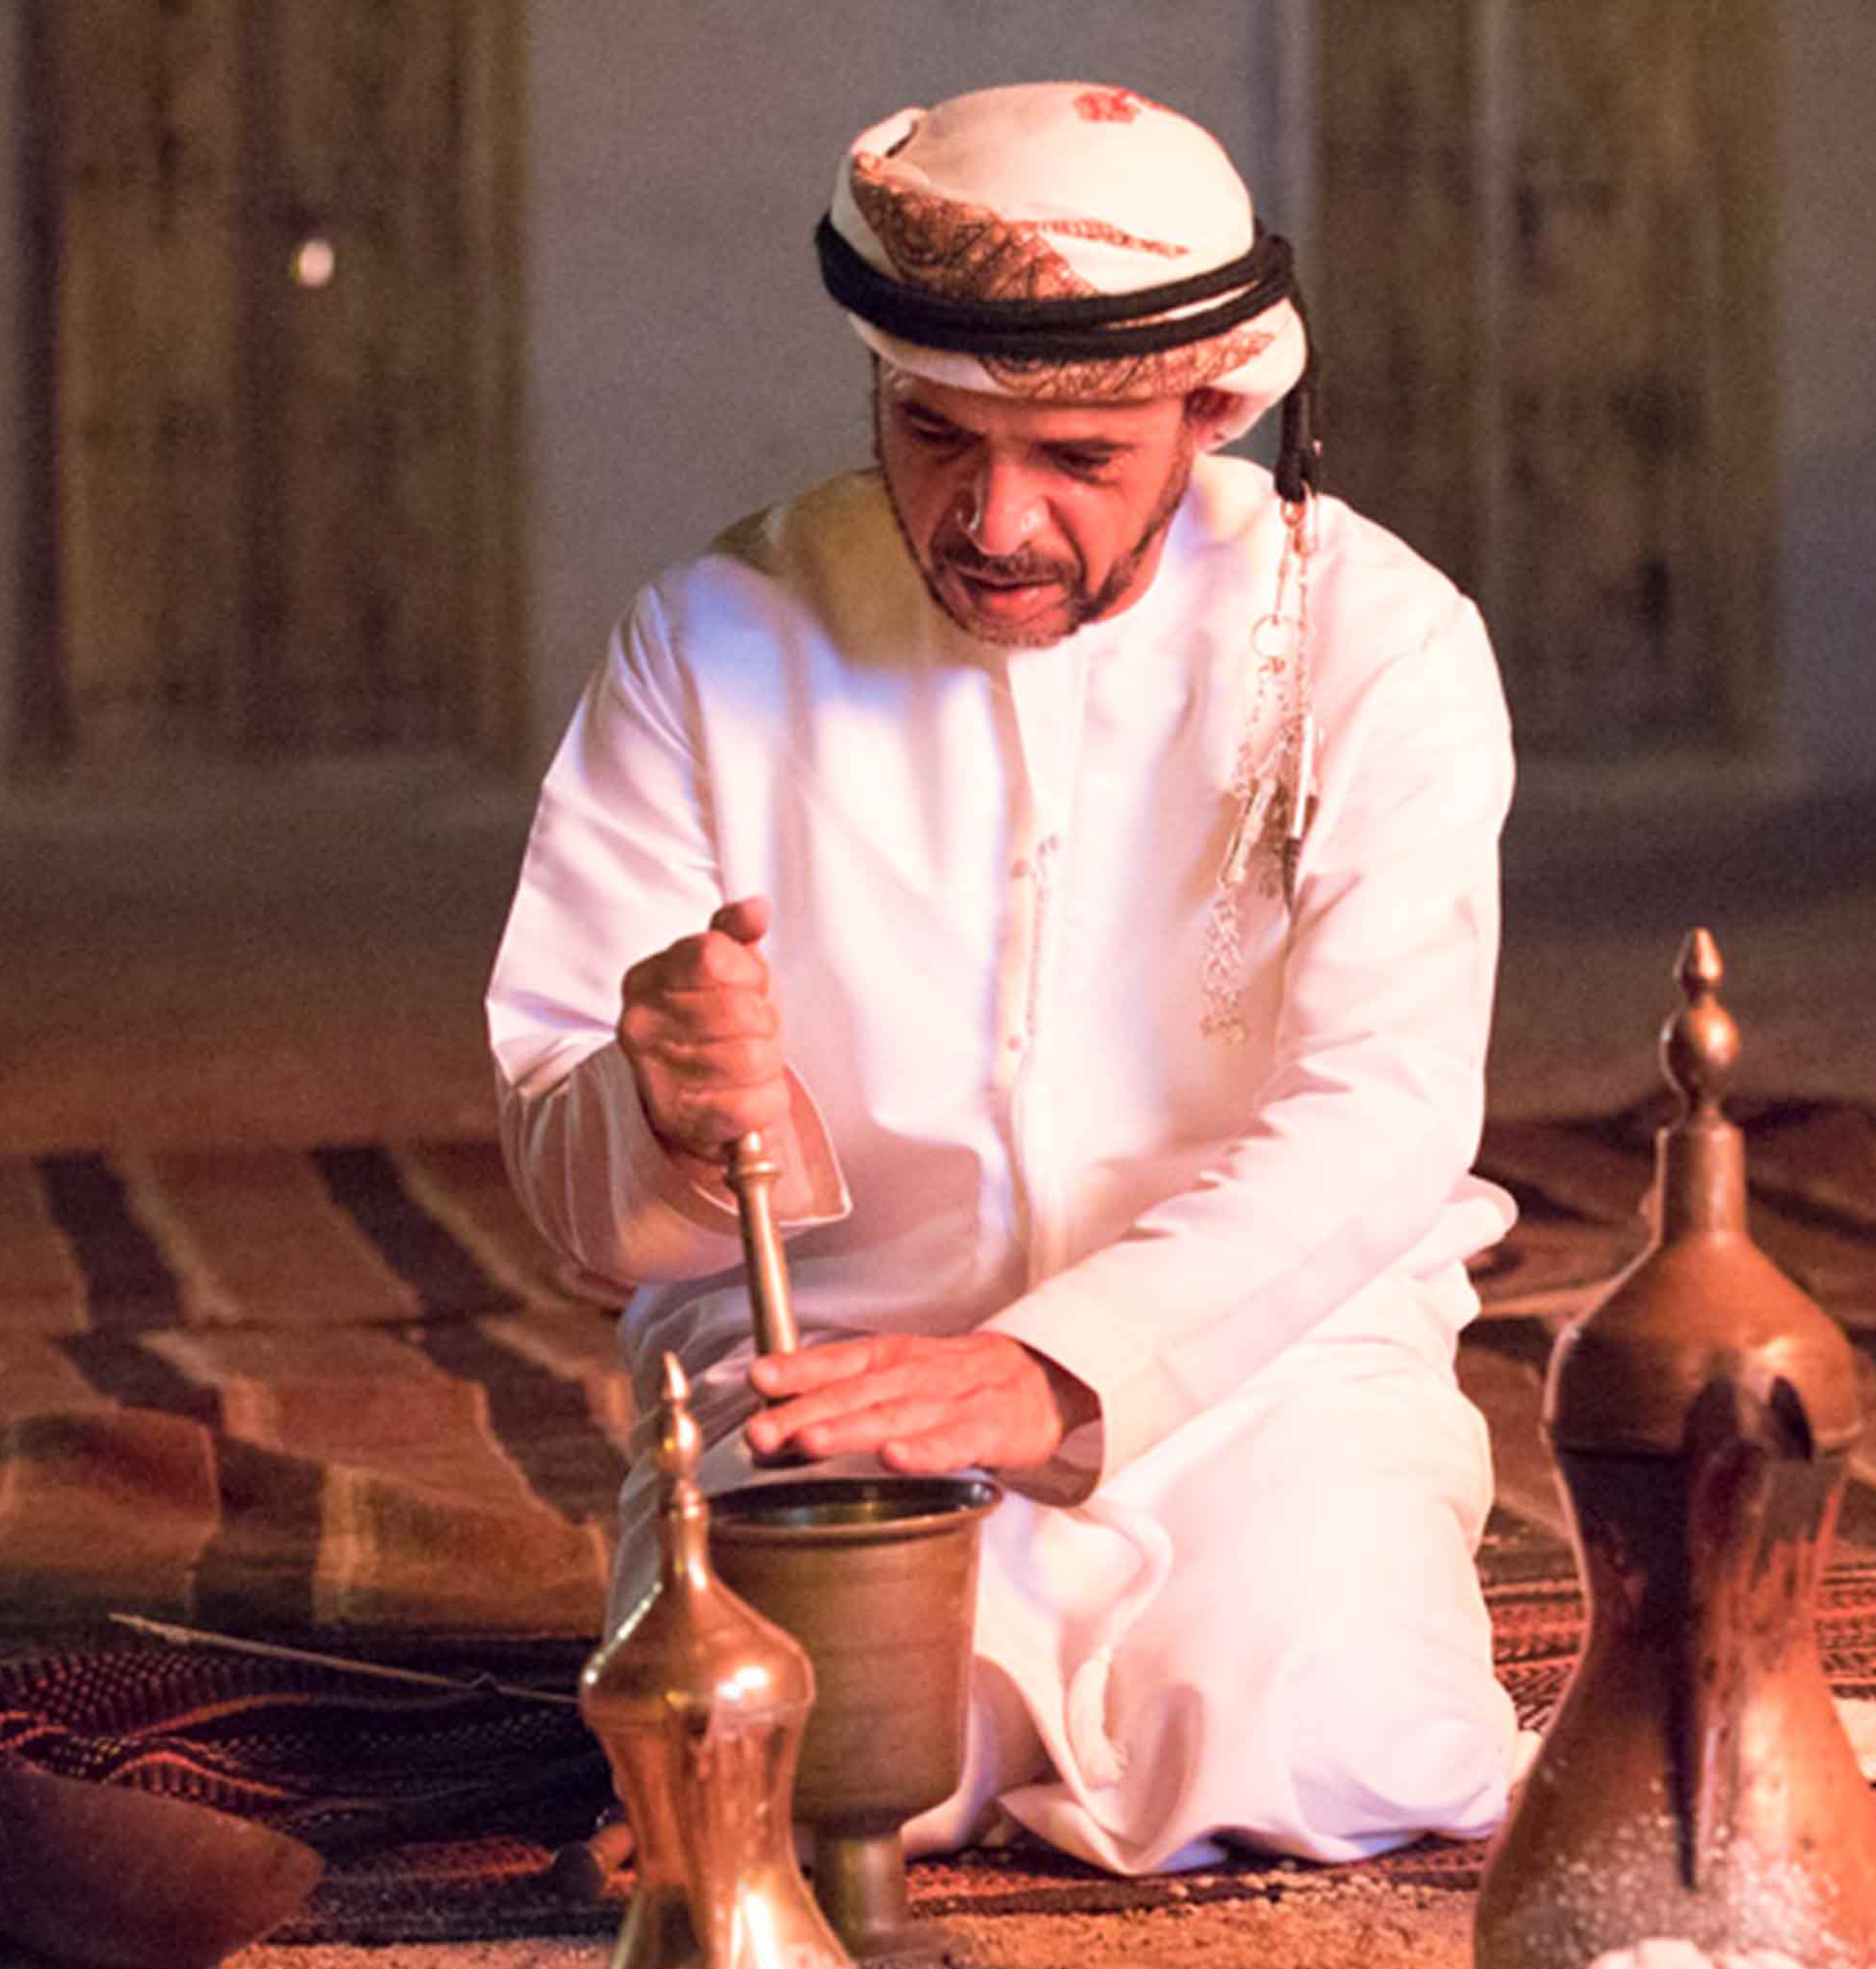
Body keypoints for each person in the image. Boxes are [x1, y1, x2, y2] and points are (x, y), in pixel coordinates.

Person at [484, 81, 1522, 1873]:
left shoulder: (1383, 642)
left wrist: (1057, 1371)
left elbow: (1386, 1107)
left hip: (1264, 1361)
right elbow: (580, 1200)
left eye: (1076, 460)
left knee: (1328, 1745)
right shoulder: (707, 637)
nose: (994, 520)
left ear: (1209, 413)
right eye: (936, 435)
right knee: (810, 1772)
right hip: (828, 1378)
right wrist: (651, 1098)